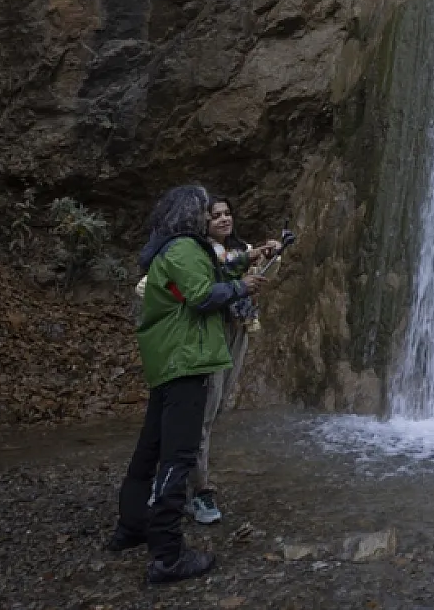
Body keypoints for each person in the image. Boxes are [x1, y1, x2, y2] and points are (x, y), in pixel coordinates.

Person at [105, 185, 278, 584]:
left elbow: (211, 274)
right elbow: (203, 295)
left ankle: (131, 528)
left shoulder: (174, 250)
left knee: (149, 452)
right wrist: (243, 287)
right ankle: (167, 555)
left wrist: (249, 259)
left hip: (169, 361)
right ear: (189, 215)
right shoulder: (184, 248)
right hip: (187, 361)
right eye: (204, 211)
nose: (210, 217)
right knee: (179, 456)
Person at [187, 196, 281, 525]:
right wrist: (248, 263)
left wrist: (271, 254)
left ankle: (179, 480)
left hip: (237, 330)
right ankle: (198, 490)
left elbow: (254, 274)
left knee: (217, 406)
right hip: (211, 332)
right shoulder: (199, 254)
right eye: (217, 216)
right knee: (204, 413)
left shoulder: (240, 248)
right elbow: (224, 272)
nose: (225, 219)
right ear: (204, 222)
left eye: (228, 213)